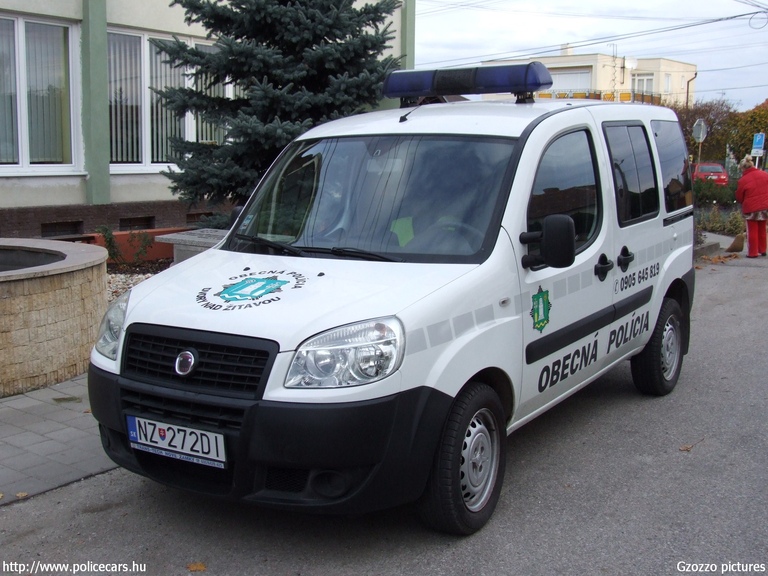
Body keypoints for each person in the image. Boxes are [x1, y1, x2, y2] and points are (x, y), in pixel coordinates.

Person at [735, 155, 768, 258]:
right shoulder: (765, 175)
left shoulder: (743, 180)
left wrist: (741, 202)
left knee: (752, 230)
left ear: (743, 168)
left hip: (751, 208)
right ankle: (762, 250)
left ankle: (752, 252)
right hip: (765, 207)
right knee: (762, 228)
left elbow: (739, 196)